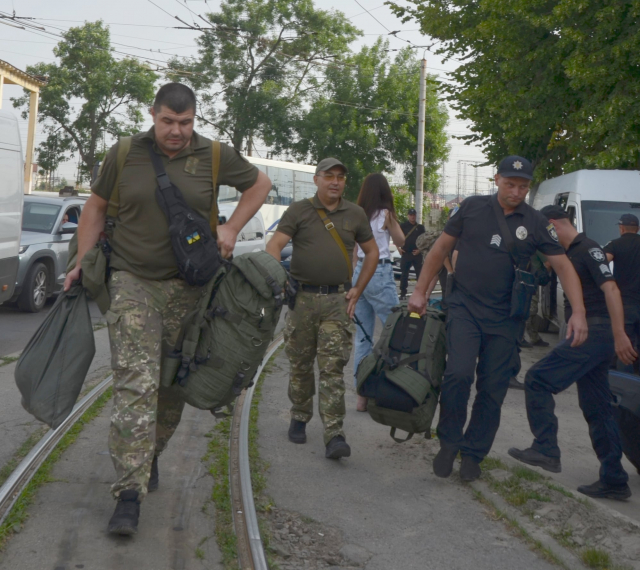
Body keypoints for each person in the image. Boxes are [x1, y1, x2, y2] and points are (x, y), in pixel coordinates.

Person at [63, 83, 272, 535]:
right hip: (133, 281)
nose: (176, 131)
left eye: (185, 122)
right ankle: (129, 494)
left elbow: (261, 184)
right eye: (167, 122)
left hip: (192, 290)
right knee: (135, 384)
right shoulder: (124, 153)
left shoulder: (215, 155)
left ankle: (148, 453)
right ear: (152, 114)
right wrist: (82, 262)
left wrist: (232, 227)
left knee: (173, 387)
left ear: (195, 119)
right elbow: (95, 208)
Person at [407, 155, 588, 483]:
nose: (516, 191)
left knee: (492, 389)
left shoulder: (535, 222)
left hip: (507, 319)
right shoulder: (472, 208)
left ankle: (474, 453)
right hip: (464, 308)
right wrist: (420, 291)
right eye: (510, 184)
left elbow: (563, 266)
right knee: (458, 375)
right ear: (497, 180)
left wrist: (578, 312)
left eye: (522, 186)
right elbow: (439, 250)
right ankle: (449, 441)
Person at [509, 205, 637, 500]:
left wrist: (619, 335)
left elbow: (612, 290)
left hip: (594, 333)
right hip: (596, 335)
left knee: (538, 380)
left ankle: (546, 449)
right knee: (598, 408)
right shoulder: (570, 253)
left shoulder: (587, 249)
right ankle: (615, 479)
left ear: (552, 225)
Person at [266, 158, 378, 459]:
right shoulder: (299, 211)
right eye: (329, 176)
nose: (335, 182)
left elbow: (372, 252)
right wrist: (281, 279)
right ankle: (300, 416)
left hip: (336, 302)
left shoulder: (355, 214)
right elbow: (274, 245)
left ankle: (334, 434)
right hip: (302, 300)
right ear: (316, 179)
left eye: (341, 177)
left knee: (332, 367)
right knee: (301, 366)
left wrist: (358, 288)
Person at [351, 173, 405, 412]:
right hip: (379, 272)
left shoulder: (357, 215)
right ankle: (393, 390)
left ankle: (361, 395)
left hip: (359, 273)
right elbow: (401, 240)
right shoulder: (385, 214)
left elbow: (354, 252)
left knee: (362, 337)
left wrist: (355, 280)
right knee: (396, 331)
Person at [604, 213, 640, 374]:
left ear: (621, 228)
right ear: (637, 229)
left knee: (625, 348)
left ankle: (624, 389)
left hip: (624, 304)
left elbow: (602, 261)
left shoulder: (615, 244)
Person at [399, 208, 426, 300]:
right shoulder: (403, 226)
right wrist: (398, 248)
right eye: (410, 215)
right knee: (404, 274)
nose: (412, 216)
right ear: (408, 216)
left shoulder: (420, 227)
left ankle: (420, 293)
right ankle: (403, 293)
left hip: (417, 254)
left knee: (420, 274)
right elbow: (397, 237)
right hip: (406, 253)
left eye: (414, 215)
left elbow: (424, 240)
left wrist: (420, 250)